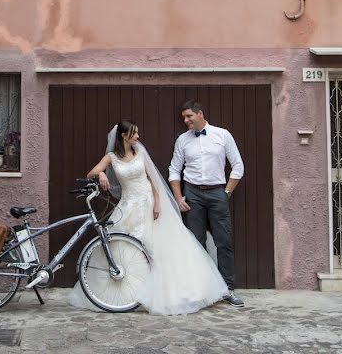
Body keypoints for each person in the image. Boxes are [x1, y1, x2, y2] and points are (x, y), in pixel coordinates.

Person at [67, 120, 227, 315]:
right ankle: (126, 293)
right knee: (120, 247)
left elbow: (153, 179)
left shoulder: (140, 153)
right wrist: (101, 174)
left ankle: (161, 292)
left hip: (148, 203)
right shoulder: (111, 157)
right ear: (124, 136)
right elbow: (91, 172)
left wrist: (157, 203)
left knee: (157, 248)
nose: (137, 137)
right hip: (128, 205)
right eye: (134, 134)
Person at [168, 100, 245, 307]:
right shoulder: (183, 140)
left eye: (188, 116)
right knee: (196, 243)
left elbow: (238, 166)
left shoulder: (223, 135)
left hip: (217, 192)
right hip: (192, 193)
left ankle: (227, 288)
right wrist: (178, 197)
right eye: (184, 117)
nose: (185, 120)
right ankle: (200, 289)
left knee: (223, 241)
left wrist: (226, 192)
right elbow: (174, 169)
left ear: (200, 114)